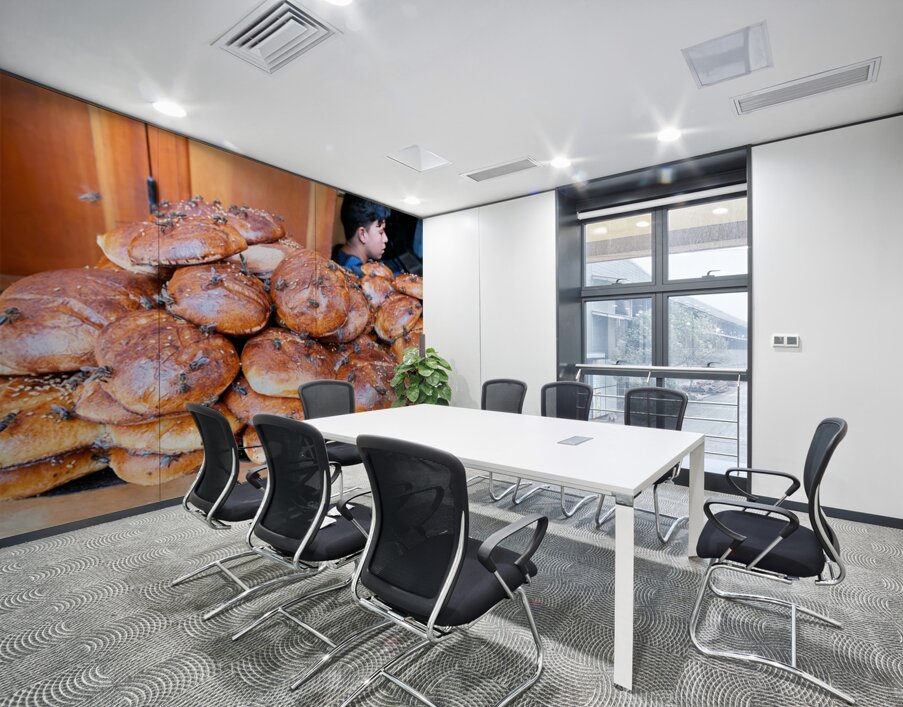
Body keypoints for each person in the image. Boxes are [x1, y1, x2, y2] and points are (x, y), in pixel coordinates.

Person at [334, 195, 391, 277]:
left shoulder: (338, 252)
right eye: (381, 232)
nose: (386, 239)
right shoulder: (358, 279)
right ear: (362, 234)